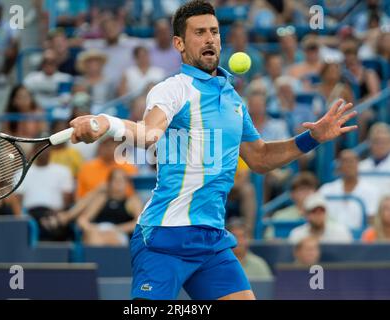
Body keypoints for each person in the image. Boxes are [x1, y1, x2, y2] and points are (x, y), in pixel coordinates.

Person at [69, 0, 357, 300]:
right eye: (199, 33)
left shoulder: (233, 99)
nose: (209, 39)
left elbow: (260, 158)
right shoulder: (173, 89)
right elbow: (148, 133)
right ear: (179, 43)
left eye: (214, 32)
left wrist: (312, 139)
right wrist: (107, 123)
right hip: (165, 237)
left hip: (212, 241)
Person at [58, 169, 143, 246]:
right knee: (92, 235)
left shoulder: (132, 200)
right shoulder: (102, 199)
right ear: (109, 183)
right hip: (98, 230)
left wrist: (116, 229)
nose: (119, 183)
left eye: (122, 180)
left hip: (118, 233)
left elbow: (138, 223)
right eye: (115, 180)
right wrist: (91, 228)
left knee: (110, 238)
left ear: (128, 184)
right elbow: (82, 220)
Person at [319, 149, 379, 230]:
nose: (349, 165)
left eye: (352, 161)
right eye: (344, 161)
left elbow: (372, 220)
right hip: (330, 237)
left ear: (358, 164)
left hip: (359, 240)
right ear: (339, 165)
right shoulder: (326, 190)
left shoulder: (372, 191)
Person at [264, 171, 318, 239]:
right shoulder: (280, 216)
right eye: (302, 189)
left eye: (309, 189)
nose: (306, 193)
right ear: (292, 194)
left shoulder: (322, 214)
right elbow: (269, 239)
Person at [289, 192, 353, 244]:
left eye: (322, 211)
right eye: (314, 211)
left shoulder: (341, 233)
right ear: (306, 215)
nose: (318, 215)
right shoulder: (297, 235)